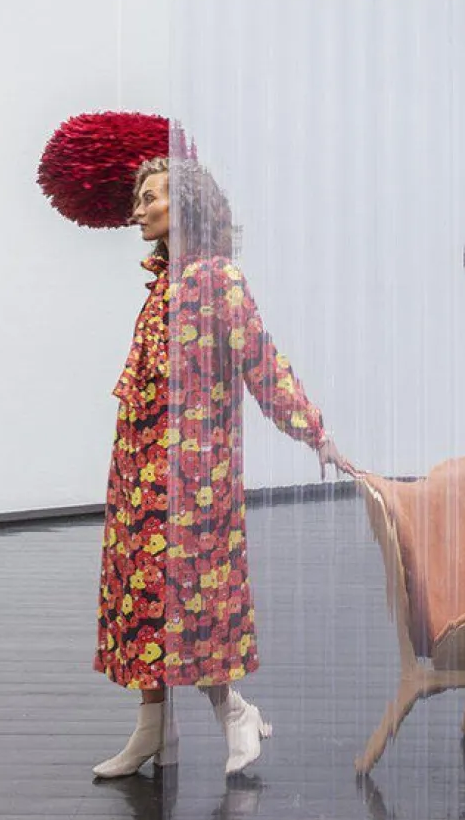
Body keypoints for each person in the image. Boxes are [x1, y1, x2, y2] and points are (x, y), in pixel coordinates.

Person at [93, 154, 350, 779]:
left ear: (185, 206)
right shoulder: (164, 283)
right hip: (138, 470)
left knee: (196, 597)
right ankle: (152, 728)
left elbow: (261, 363)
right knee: (142, 597)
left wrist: (314, 432)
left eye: (151, 198)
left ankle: (233, 711)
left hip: (196, 478)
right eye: (139, 198)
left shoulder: (217, 278)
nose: (138, 210)